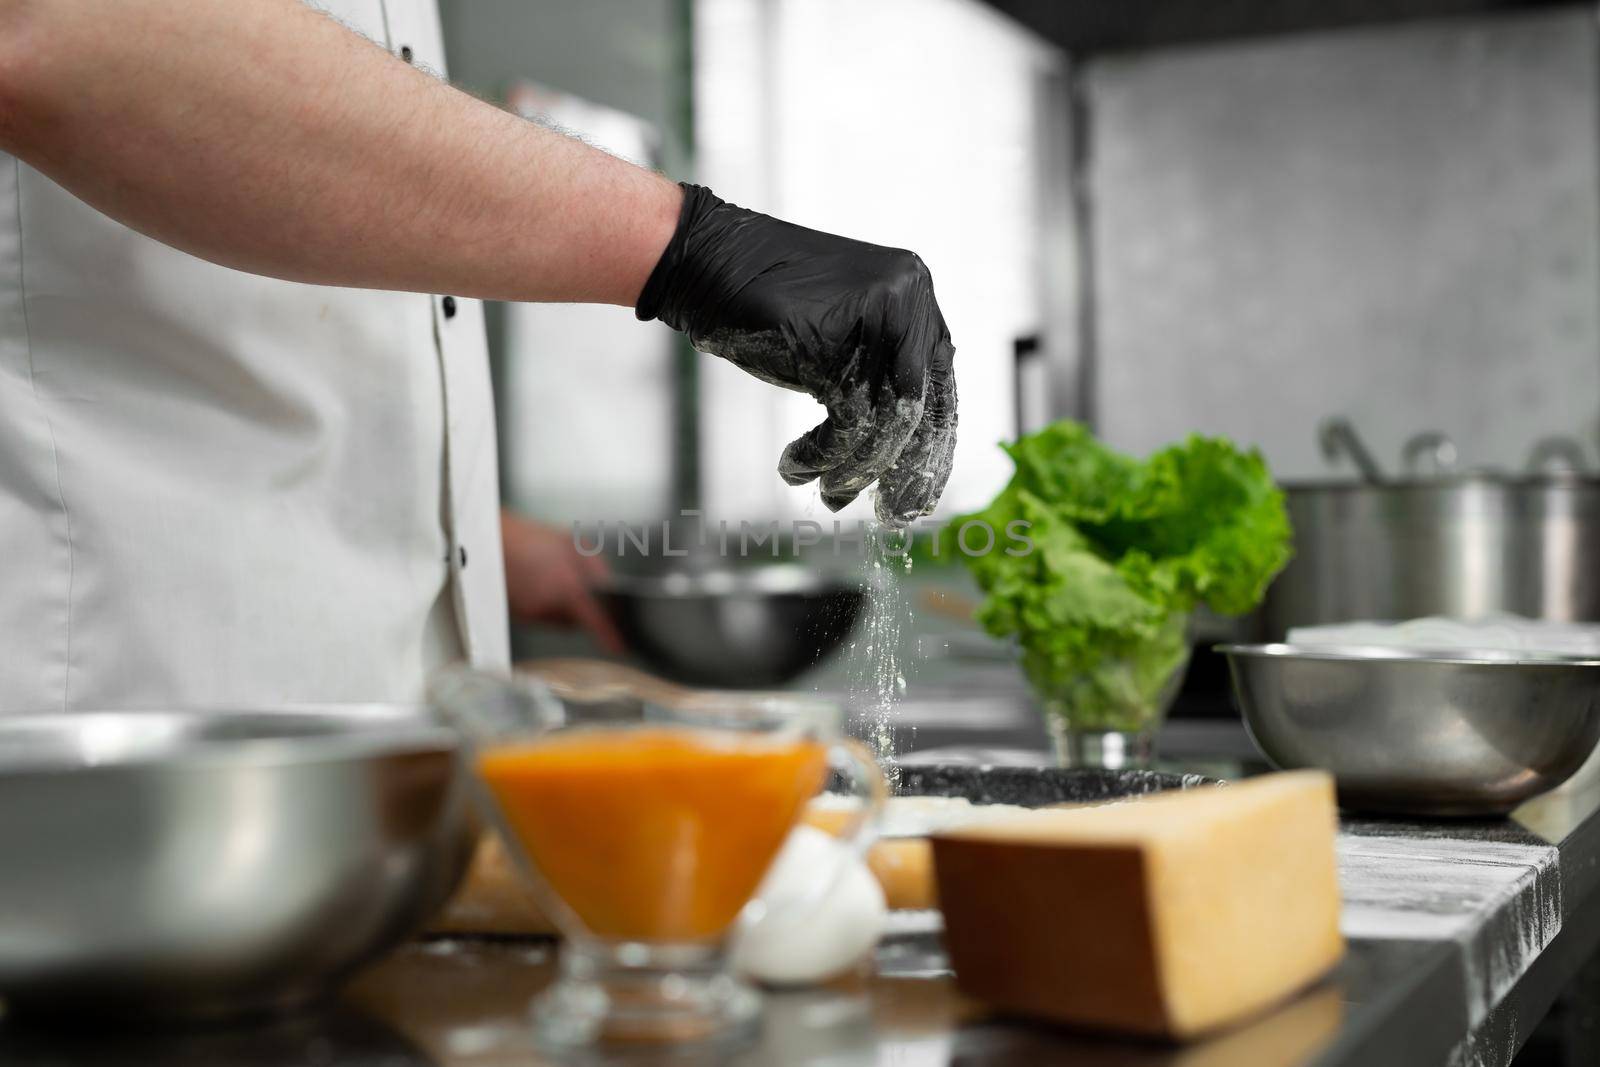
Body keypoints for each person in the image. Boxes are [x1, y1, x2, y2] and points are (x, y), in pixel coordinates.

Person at [0, 0, 957, 712]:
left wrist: (487, 537)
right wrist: (689, 246)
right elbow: (52, 30)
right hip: (119, 712)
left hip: (375, 744)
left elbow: (265, 304)